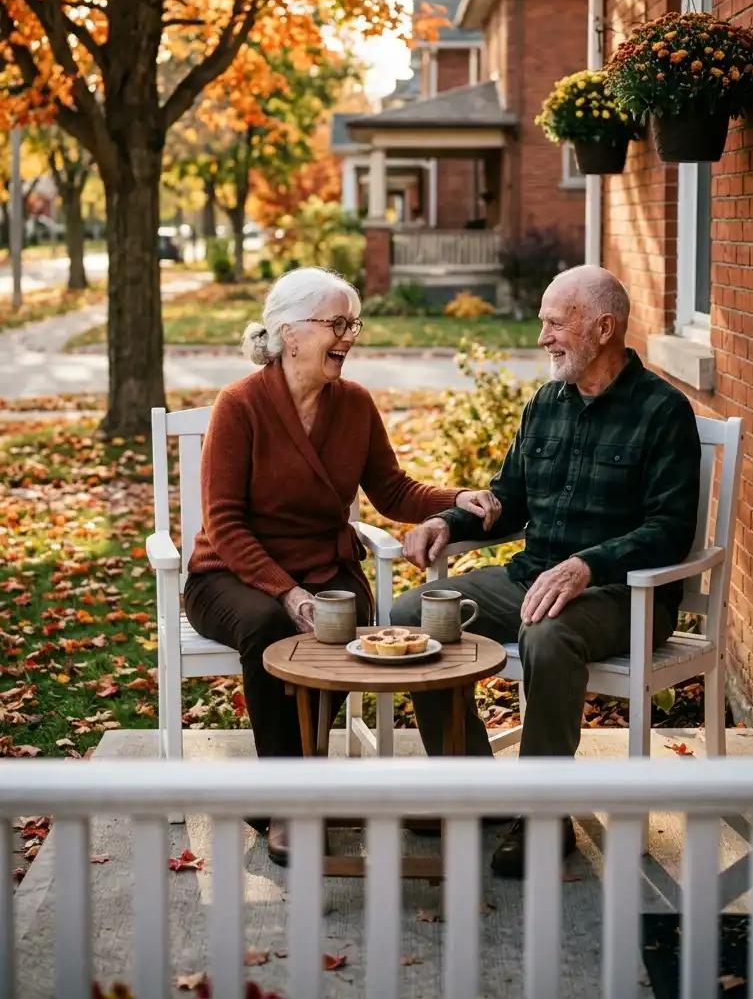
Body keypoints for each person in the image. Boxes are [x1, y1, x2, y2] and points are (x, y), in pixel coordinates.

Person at [391, 264, 701, 878]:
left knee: (548, 635)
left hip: (623, 595)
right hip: (531, 578)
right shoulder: (545, 403)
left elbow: (669, 530)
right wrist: (447, 522)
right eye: (543, 323)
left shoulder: (663, 411)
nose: (543, 338)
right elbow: (508, 500)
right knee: (416, 614)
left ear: (604, 328)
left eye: (555, 324)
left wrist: (588, 564)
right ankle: (472, 788)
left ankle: (542, 813)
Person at [184, 266, 499, 865]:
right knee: (270, 626)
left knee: (336, 624)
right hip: (230, 573)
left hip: (321, 565)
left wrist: (456, 497)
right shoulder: (240, 405)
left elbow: (392, 489)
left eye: (353, 324)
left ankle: (300, 788)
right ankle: (288, 804)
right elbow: (224, 524)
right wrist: (287, 592)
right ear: (290, 332)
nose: (349, 336)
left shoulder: (353, 404)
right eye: (337, 323)